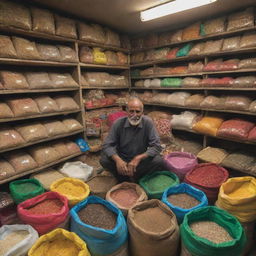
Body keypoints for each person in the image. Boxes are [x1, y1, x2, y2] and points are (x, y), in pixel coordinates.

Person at [100, 97, 166, 181]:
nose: (134, 115)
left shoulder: (148, 123)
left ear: (142, 112)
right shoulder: (118, 123)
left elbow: (156, 146)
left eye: (137, 111)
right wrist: (118, 160)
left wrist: (138, 158)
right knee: (104, 160)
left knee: (158, 161)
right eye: (131, 111)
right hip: (122, 158)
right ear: (126, 111)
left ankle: (135, 176)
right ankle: (123, 177)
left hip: (140, 160)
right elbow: (107, 145)